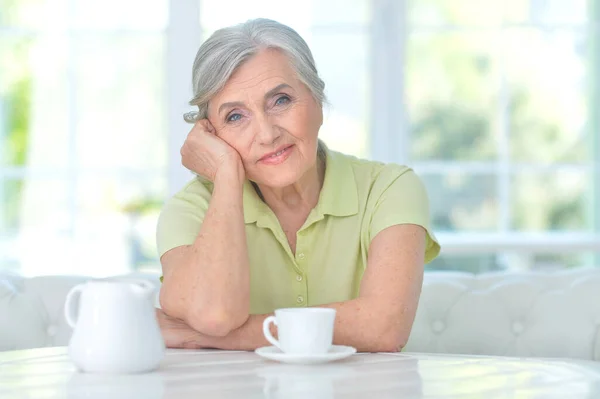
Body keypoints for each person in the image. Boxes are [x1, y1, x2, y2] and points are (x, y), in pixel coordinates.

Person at [155, 18, 440, 353]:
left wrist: (209, 338)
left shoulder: (390, 188)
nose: (267, 134)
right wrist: (227, 176)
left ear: (317, 99)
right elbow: (215, 315)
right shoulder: (189, 209)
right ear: (211, 135)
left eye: (281, 100)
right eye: (235, 117)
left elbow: (384, 327)